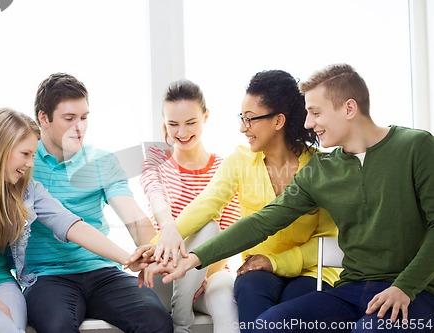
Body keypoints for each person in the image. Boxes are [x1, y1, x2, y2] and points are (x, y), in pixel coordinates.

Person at [143, 64, 434, 332]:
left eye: (316, 113)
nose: (308, 123)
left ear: (348, 108)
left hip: (413, 292)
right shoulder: (323, 170)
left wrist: (404, 287)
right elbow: (263, 221)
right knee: (266, 326)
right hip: (352, 291)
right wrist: (195, 257)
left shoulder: (415, 146)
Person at [136, 70, 341, 333]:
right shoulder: (241, 160)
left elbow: (327, 238)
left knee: (291, 310)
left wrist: (277, 262)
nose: (243, 127)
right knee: (249, 290)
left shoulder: (320, 167)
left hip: (312, 271)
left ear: (278, 121)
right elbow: (206, 205)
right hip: (257, 269)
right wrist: (157, 245)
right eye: (242, 118)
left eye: (250, 119)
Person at [0, 108, 147, 333]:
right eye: (25, 154)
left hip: (0, 282)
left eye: (33, 155)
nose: (30, 164)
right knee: (4, 329)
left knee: (9, 328)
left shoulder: (27, 191)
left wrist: (129, 259)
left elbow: (72, 225)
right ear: (0, 149)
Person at [23, 73, 172, 333]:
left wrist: (148, 249)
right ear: (43, 118)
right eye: (69, 119)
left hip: (102, 271)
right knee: (57, 328)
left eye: (84, 117)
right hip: (47, 276)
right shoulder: (24, 162)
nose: (79, 127)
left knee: (157, 322)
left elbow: (132, 215)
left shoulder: (102, 161)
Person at [139, 79, 242, 333]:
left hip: (212, 273)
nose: (181, 133)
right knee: (201, 226)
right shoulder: (155, 160)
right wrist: (170, 229)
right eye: (173, 124)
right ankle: (181, 317)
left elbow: (228, 236)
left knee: (226, 308)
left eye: (190, 122)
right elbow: (156, 197)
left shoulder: (225, 167)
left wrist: (200, 275)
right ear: (164, 122)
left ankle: (180, 318)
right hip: (166, 274)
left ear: (205, 117)